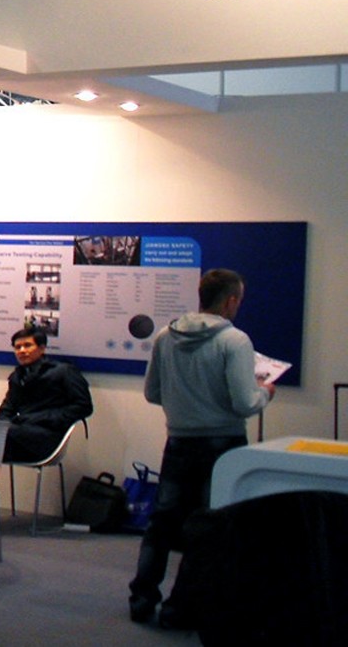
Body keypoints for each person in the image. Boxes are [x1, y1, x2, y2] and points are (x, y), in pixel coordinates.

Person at [128, 268, 275, 627]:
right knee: (207, 526)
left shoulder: (165, 336)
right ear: (231, 300)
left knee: (162, 523)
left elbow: (152, 393)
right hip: (222, 445)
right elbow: (244, 403)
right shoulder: (235, 341)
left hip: (177, 441)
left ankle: (141, 598)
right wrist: (265, 393)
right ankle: (180, 607)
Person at [0, 326, 93, 530]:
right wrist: (0, 427)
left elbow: (83, 406)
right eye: (18, 347)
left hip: (47, 439)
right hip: (19, 436)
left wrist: (41, 419)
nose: (22, 351)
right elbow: (7, 408)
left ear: (42, 348)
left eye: (27, 346)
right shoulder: (17, 376)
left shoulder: (63, 372)